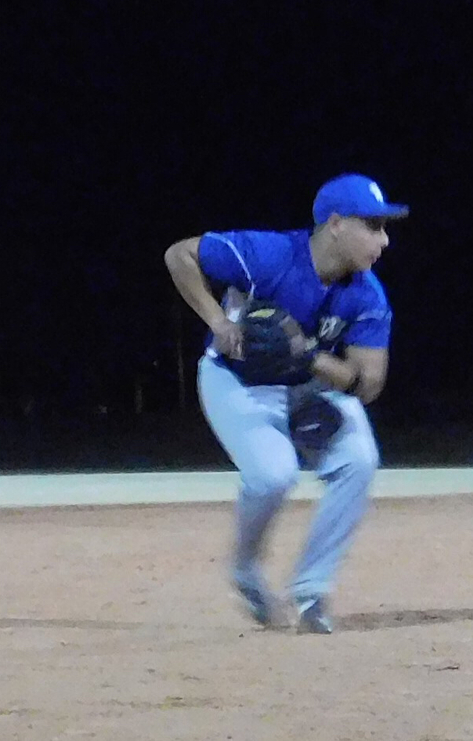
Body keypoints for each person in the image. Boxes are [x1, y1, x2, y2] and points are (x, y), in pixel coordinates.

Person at [164, 173, 408, 634]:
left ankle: (311, 592)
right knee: (273, 475)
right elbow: (179, 254)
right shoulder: (270, 254)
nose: (384, 240)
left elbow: (369, 383)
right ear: (335, 223)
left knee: (360, 460)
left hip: (309, 386)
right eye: (373, 226)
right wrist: (218, 321)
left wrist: (308, 356)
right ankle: (245, 570)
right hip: (237, 381)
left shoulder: (368, 294)